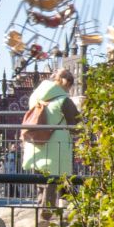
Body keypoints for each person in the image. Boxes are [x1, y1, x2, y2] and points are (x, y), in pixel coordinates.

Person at [21, 67, 81, 209]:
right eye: (69, 87)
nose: (69, 91)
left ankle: (41, 210)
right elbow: (77, 124)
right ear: (65, 83)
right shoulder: (63, 100)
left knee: (41, 178)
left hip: (36, 142)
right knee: (55, 177)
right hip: (56, 146)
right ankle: (48, 211)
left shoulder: (35, 97)